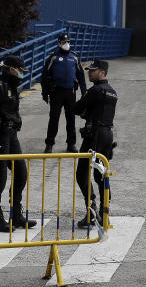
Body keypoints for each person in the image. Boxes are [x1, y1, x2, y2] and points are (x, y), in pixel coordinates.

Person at [0, 55, 38, 233]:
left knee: (21, 173)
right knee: (0, 176)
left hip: (11, 135)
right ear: (11, 68)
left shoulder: (12, 85)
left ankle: (16, 213)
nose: (21, 74)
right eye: (19, 70)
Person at [74, 60, 118, 230]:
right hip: (107, 135)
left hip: (95, 136)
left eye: (93, 71)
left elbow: (77, 108)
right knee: (101, 175)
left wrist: (83, 109)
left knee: (82, 173)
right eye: (89, 70)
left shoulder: (95, 90)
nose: (89, 73)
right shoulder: (112, 92)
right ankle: (104, 211)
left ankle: (91, 212)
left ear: (102, 73)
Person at [41, 33, 87, 153]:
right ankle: (49, 144)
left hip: (70, 92)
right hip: (56, 92)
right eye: (63, 42)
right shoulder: (54, 57)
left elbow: (81, 76)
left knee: (71, 118)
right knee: (54, 118)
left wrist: (84, 92)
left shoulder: (75, 57)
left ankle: (71, 144)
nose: (66, 44)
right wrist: (45, 92)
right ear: (59, 43)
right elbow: (45, 75)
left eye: (68, 42)